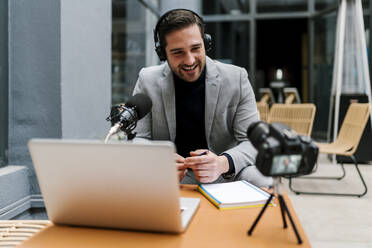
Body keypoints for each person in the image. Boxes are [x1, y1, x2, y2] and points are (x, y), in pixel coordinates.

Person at [132, 9, 272, 187]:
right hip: (169, 175)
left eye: (196, 48)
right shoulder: (147, 79)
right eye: (178, 52)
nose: (190, 60)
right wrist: (159, 160)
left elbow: (252, 142)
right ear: (163, 53)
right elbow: (139, 138)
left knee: (262, 178)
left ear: (206, 44)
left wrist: (223, 163)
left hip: (224, 172)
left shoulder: (237, 78)